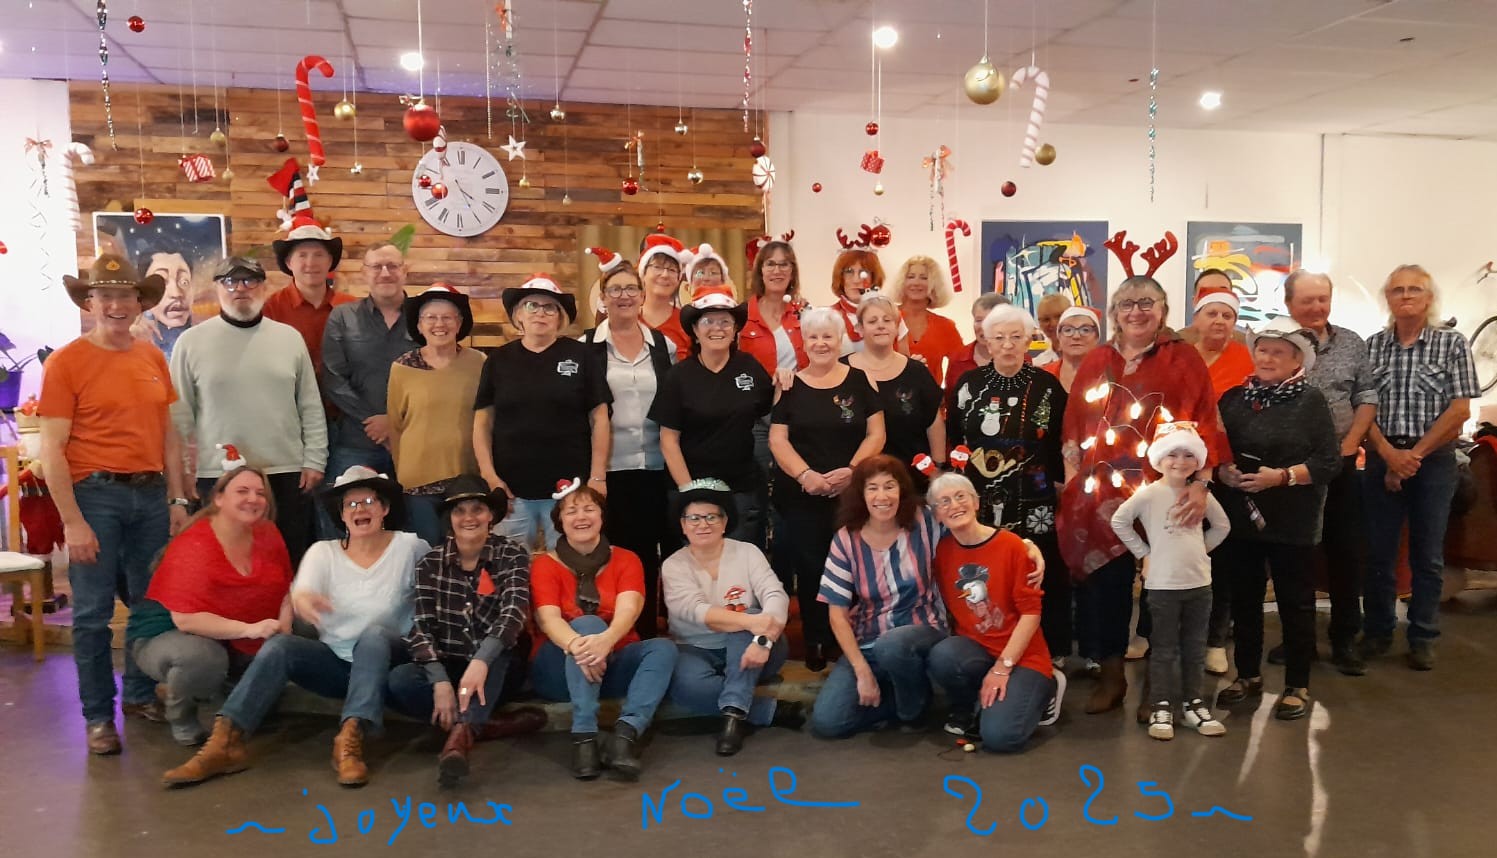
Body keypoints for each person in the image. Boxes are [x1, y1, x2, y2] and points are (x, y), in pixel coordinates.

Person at [161, 467, 428, 787]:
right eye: (351, 504)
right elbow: (301, 591)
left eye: (369, 501)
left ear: (384, 509)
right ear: (341, 514)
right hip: (339, 663)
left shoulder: (410, 547)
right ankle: (226, 741)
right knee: (280, 646)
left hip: (390, 661)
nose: (361, 509)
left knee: (373, 635)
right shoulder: (323, 552)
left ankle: (351, 741)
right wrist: (303, 600)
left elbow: (437, 594)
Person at [39, 254, 190, 755]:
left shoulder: (151, 357)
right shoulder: (66, 363)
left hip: (150, 495)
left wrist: (177, 496)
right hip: (95, 496)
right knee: (92, 614)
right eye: (106, 295)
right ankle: (99, 716)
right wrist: (73, 522)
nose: (116, 304)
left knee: (150, 605)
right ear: (90, 302)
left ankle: (141, 695)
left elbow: (168, 435)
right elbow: (52, 449)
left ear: (139, 302)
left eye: (125, 295)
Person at [1058, 275, 1227, 716]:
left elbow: (1205, 419)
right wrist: (1077, 487)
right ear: (1115, 312)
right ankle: (1112, 675)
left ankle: (1159, 685)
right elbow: (1074, 426)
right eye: (1127, 303)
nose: (1136, 311)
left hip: (1167, 489)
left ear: (1163, 311)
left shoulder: (1183, 358)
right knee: (1106, 586)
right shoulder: (1097, 360)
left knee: (1163, 588)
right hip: (1103, 493)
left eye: (1146, 302)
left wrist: (1201, 484)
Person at [1212, 320, 1341, 721]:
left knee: (1295, 604)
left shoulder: (1312, 401)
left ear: (1297, 360)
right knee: (1244, 602)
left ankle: (1297, 684)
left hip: (1292, 520)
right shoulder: (1233, 399)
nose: (1267, 358)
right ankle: (1247, 675)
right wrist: (1223, 472)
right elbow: (1215, 450)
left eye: (1278, 352)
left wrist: (1282, 477)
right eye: (1263, 350)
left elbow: (1328, 462)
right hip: (1241, 517)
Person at [169, 256, 327, 566]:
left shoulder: (289, 338)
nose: (240, 288)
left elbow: (309, 404)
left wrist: (315, 460)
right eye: (230, 281)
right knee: (223, 562)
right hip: (217, 474)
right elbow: (179, 416)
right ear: (217, 288)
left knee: (286, 561)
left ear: (263, 287)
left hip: (285, 471)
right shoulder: (190, 342)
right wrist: (185, 473)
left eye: (249, 280)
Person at [1361, 264, 1480, 671]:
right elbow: (1364, 410)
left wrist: (1413, 456)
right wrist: (1389, 454)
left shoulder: (1452, 344)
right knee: (1378, 554)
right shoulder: (1372, 347)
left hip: (1434, 462)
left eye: (1415, 289)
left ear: (1429, 298)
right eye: (1398, 290)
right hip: (1382, 458)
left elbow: (1459, 411)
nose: (1406, 296)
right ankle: (1377, 632)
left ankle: (1423, 636)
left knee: (1427, 556)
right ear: (1388, 298)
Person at [131, 465, 291, 751]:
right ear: (219, 498)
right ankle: (182, 718)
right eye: (242, 491)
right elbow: (186, 620)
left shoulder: (268, 532)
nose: (253, 499)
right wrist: (251, 630)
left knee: (307, 631)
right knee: (202, 657)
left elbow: (287, 590)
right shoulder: (195, 543)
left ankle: (232, 692)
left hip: (236, 631)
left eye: (260, 493)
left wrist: (285, 632)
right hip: (169, 634)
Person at [387, 475, 531, 787]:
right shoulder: (429, 563)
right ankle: (481, 724)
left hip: (497, 663)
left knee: (499, 655)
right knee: (400, 681)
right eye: (459, 511)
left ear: (490, 515)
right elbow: (421, 625)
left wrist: (481, 661)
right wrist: (439, 680)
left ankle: (458, 742)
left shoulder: (512, 554)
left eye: (477, 509)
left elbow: (512, 614)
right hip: (450, 662)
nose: (469, 518)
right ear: (449, 519)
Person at [948, 304, 1070, 667]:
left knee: (1037, 566)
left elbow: (1060, 439)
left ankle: (1049, 648)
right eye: (998, 337)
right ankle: (988, 641)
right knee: (987, 569)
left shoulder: (1047, 385)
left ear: (1029, 340)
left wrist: (1061, 482)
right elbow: (955, 437)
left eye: (1016, 337)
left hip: (1034, 493)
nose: (1007, 345)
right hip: (980, 495)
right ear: (986, 340)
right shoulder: (969, 384)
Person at [530, 483, 678, 780]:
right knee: (589, 624)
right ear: (560, 520)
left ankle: (625, 736)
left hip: (610, 662)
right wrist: (581, 645)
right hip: (558, 667)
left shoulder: (627, 559)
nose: (581, 517)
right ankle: (584, 735)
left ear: (602, 516)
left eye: (589, 509)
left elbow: (629, 610)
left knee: (664, 648)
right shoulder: (544, 564)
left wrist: (606, 642)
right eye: (572, 511)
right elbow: (548, 620)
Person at [769, 308, 886, 671]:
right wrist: (806, 475)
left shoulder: (861, 380)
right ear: (803, 343)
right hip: (802, 496)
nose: (820, 343)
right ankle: (817, 639)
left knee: (857, 565)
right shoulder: (789, 384)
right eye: (813, 337)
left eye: (827, 337)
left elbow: (877, 434)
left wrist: (852, 471)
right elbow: (778, 439)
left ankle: (858, 637)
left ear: (840, 341)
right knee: (812, 570)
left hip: (852, 495)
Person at [1280, 269, 1379, 675]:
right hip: (1294, 467)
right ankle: (1298, 642)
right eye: (1307, 300)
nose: (1317, 307)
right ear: (1289, 304)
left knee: (1345, 551)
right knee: (1296, 555)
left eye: (1323, 298)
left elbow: (1366, 397)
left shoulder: (1352, 342)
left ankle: (1344, 639)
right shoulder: (1279, 344)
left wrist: (1351, 443)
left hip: (1341, 461)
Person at [810, 456, 947, 738]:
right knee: (827, 722)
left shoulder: (925, 521)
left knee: (893, 645)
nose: (882, 496)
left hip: (922, 630)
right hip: (869, 640)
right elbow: (837, 615)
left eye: (889, 486)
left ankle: (914, 708)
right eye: (872, 488)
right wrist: (862, 671)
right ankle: (898, 697)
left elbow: (971, 532)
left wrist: (1026, 546)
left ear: (902, 491)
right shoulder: (845, 539)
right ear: (860, 495)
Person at [1109, 423, 1231, 740]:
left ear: (1198, 460)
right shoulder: (1150, 494)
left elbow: (1222, 526)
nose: (1180, 461)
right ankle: (1160, 704)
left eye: (1188, 455)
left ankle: (1193, 704)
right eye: (1172, 454)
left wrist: (1199, 550)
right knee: (1163, 649)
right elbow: (1120, 520)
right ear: (1160, 459)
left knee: (1194, 648)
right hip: (1163, 586)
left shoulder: (1201, 496)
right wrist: (1145, 554)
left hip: (1199, 584)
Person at [927, 472, 1064, 751]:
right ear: (937, 514)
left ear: (976, 502)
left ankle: (1047, 687)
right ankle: (970, 706)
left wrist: (1003, 668)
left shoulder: (1012, 546)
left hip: (1022, 656)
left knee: (1000, 737)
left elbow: (1031, 614)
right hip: (977, 652)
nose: (954, 505)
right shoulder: (942, 551)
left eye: (961, 496)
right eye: (944, 502)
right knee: (943, 655)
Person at [474, 275, 611, 550]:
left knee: (569, 563)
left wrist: (597, 477)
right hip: (511, 492)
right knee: (509, 564)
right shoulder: (498, 360)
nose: (540, 313)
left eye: (550, 307)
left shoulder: (581, 355)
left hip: (570, 490)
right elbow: (482, 422)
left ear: (560, 317)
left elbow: (600, 418)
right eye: (531, 305)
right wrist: (490, 477)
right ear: (518, 315)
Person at [662, 479, 798, 756]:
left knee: (746, 619)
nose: (703, 524)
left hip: (755, 650)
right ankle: (764, 710)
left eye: (712, 516)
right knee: (684, 686)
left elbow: (776, 595)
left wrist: (763, 638)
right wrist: (752, 622)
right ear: (683, 525)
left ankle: (733, 718)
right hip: (695, 648)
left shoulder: (748, 553)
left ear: (725, 522)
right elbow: (697, 612)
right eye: (694, 518)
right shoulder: (673, 565)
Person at [581, 257, 676, 637]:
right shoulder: (586, 346)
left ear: (641, 295)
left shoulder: (663, 345)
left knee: (655, 554)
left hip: (657, 466)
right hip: (609, 471)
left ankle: (652, 632)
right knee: (616, 556)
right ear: (603, 298)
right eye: (615, 289)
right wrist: (594, 475)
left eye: (631, 289)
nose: (624, 296)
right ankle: (618, 635)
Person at [652, 285, 773, 546]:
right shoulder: (678, 377)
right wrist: (690, 493)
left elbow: (771, 408)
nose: (717, 328)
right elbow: (668, 441)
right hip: (690, 489)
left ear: (735, 329)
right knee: (696, 565)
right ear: (695, 330)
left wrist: (785, 378)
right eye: (708, 321)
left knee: (739, 563)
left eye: (725, 321)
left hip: (741, 490)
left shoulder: (750, 367)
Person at [317, 242, 415, 538]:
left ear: (405, 271)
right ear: (364, 273)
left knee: (412, 529)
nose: (385, 273)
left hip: (413, 444)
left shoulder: (425, 317)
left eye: (392, 266)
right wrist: (376, 423)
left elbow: (434, 375)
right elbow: (334, 378)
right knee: (342, 527)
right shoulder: (342, 316)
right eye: (376, 267)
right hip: (356, 442)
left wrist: (394, 423)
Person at [388, 284, 486, 546]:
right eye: (430, 317)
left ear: (459, 323)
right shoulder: (402, 367)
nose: (439, 324)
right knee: (426, 552)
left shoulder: (479, 363)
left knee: (468, 550)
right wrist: (401, 474)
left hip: (467, 477)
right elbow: (395, 426)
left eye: (447, 317)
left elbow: (489, 419)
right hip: (418, 482)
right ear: (419, 325)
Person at [847, 293, 944, 489]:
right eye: (872, 321)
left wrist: (938, 470)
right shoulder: (842, 372)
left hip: (911, 480)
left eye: (887, 320)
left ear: (897, 326)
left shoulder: (916, 371)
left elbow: (934, 423)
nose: (881, 326)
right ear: (860, 328)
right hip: (856, 481)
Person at [263, 217, 356, 381]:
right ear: (289, 263)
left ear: (330, 261)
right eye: (302, 255)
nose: (311, 263)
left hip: (343, 396)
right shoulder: (271, 308)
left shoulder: (352, 307)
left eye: (319, 255)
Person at [739, 240, 808, 377]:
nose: (777, 271)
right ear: (760, 271)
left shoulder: (804, 312)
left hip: (797, 389)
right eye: (770, 264)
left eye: (784, 264)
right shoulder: (741, 314)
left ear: (792, 272)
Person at [891, 255, 964, 385]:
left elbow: (961, 365)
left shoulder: (945, 326)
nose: (916, 282)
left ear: (934, 285)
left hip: (931, 397)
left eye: (924, 278)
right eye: (911, 277)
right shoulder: (886, 319)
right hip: (887, 396)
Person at [828, 249, 908, 356]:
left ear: (873, 277)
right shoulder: (828, 317)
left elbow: (905, 361)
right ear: (840, 277)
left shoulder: (892, 314)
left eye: (864, 272)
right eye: (849, 271)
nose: (856, 280)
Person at [1189, 276, 1256, 399]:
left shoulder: (1250, 360)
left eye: (1227, 316)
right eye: (1212, 314)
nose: (1219, 321)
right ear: (1196, 319)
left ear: (1234, 323)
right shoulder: (1180, 358)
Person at [944, 293, 1009, 415]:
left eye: (992, 321)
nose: (984, 327)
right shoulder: (958, 358)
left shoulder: (1020, 359)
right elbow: (951, 403)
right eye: (979, 320)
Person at [132, 243, 197, 359]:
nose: (176, 293)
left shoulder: (205, 338)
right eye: (161, 282)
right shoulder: (132, 338)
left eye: (184, 282)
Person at [638, 234, 691, 360]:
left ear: (679, 279)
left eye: (672, 270)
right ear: (643, 273)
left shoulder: (687, 323)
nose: (665, 274)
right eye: (657, 267)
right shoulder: (627, 318)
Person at [1042, 305, 1101, 393]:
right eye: (1068, 330)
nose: (1076, 336)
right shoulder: (1043, 376)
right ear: (1059, 337)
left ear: (1096, 337)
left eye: (1085, 330)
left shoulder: (1111, 377)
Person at [1032, 293, 1072, 367]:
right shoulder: (1036, 365)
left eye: (1059, 316)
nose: (1053, 324)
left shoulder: (1092, 357)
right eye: (1046, 319)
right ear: (1040, 324)